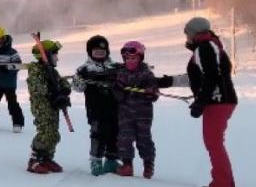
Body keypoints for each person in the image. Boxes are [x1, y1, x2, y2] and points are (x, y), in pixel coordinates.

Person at [182, 16, 239, 187]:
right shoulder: (208, 46)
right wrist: (162, 82)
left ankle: (222, 186)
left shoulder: (205, 47)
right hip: (218, 101)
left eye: (187, 34)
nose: (186, 38)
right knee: (214, 143)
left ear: (193, 33)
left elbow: (212, 76)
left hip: (218, 101)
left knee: (213, 143)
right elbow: (199, 76)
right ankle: (225, 182)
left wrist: (200, 101)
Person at [110, 40, 168, 178]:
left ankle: (148, 164)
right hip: (125, 114)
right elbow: (116, 92)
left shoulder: (146, 73)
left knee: (144, 139)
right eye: (127, 58)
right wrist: (118, 91)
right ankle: (127, 165)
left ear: (140, 58)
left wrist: (150, 92)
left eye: (133, 58)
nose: (130, 61)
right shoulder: (121, 73)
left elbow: (155, 93)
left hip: (143, 114)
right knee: (124, 138)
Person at [72, 34, 122, 175]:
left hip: (115, 108)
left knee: (115, 133)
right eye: (96, 52)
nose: (100, 55)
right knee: (99, 134)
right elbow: (77, 87)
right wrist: (82, 79)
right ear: (90, 53)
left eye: (103, 52)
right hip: (96, 110)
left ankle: (111, 160)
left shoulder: (115, 67)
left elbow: (126, 81)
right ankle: (96, 160)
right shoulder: (85, 69)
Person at [26, 38, 71, 173]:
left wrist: (64, 90)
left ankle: (46, 158)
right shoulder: (35, 70)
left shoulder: (52, 71)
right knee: (45, 132)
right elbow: (36, 86)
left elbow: (61, 82)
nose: (57, 58)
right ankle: (34, 159)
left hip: (53, 107)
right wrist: (53, 93)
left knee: (54, 134)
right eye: (55, 55)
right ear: (46, 56)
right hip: (42, 107)